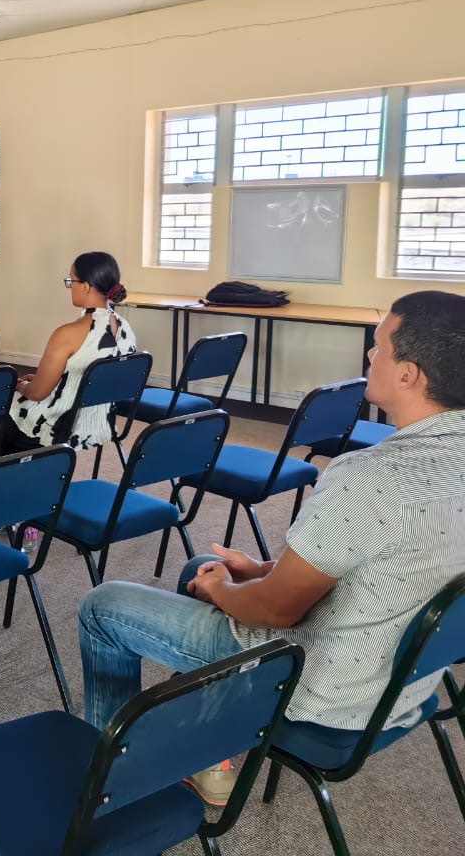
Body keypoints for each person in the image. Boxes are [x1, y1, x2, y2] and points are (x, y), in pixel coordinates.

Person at [77, 290, 465, 805]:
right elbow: (385, 562)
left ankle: (113, 782)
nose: (370, 356)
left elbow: (276, 611)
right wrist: (261, 567)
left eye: (379, 348)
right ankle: (207, 753)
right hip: (403, 682)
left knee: (103, 607)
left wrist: (224, 589)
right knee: (203, 563)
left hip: (322, 688)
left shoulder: (371, 476)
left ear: (409, 374)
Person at [0, 251, 136, 468]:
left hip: (54, 424)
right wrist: (52, 379)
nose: (70, 285)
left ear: (86, 286)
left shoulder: (68, 333)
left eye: (71, 280)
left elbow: (37, 393)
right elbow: (87, 376)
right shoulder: (125, 329)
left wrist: (21, 385)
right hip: (94, 422)